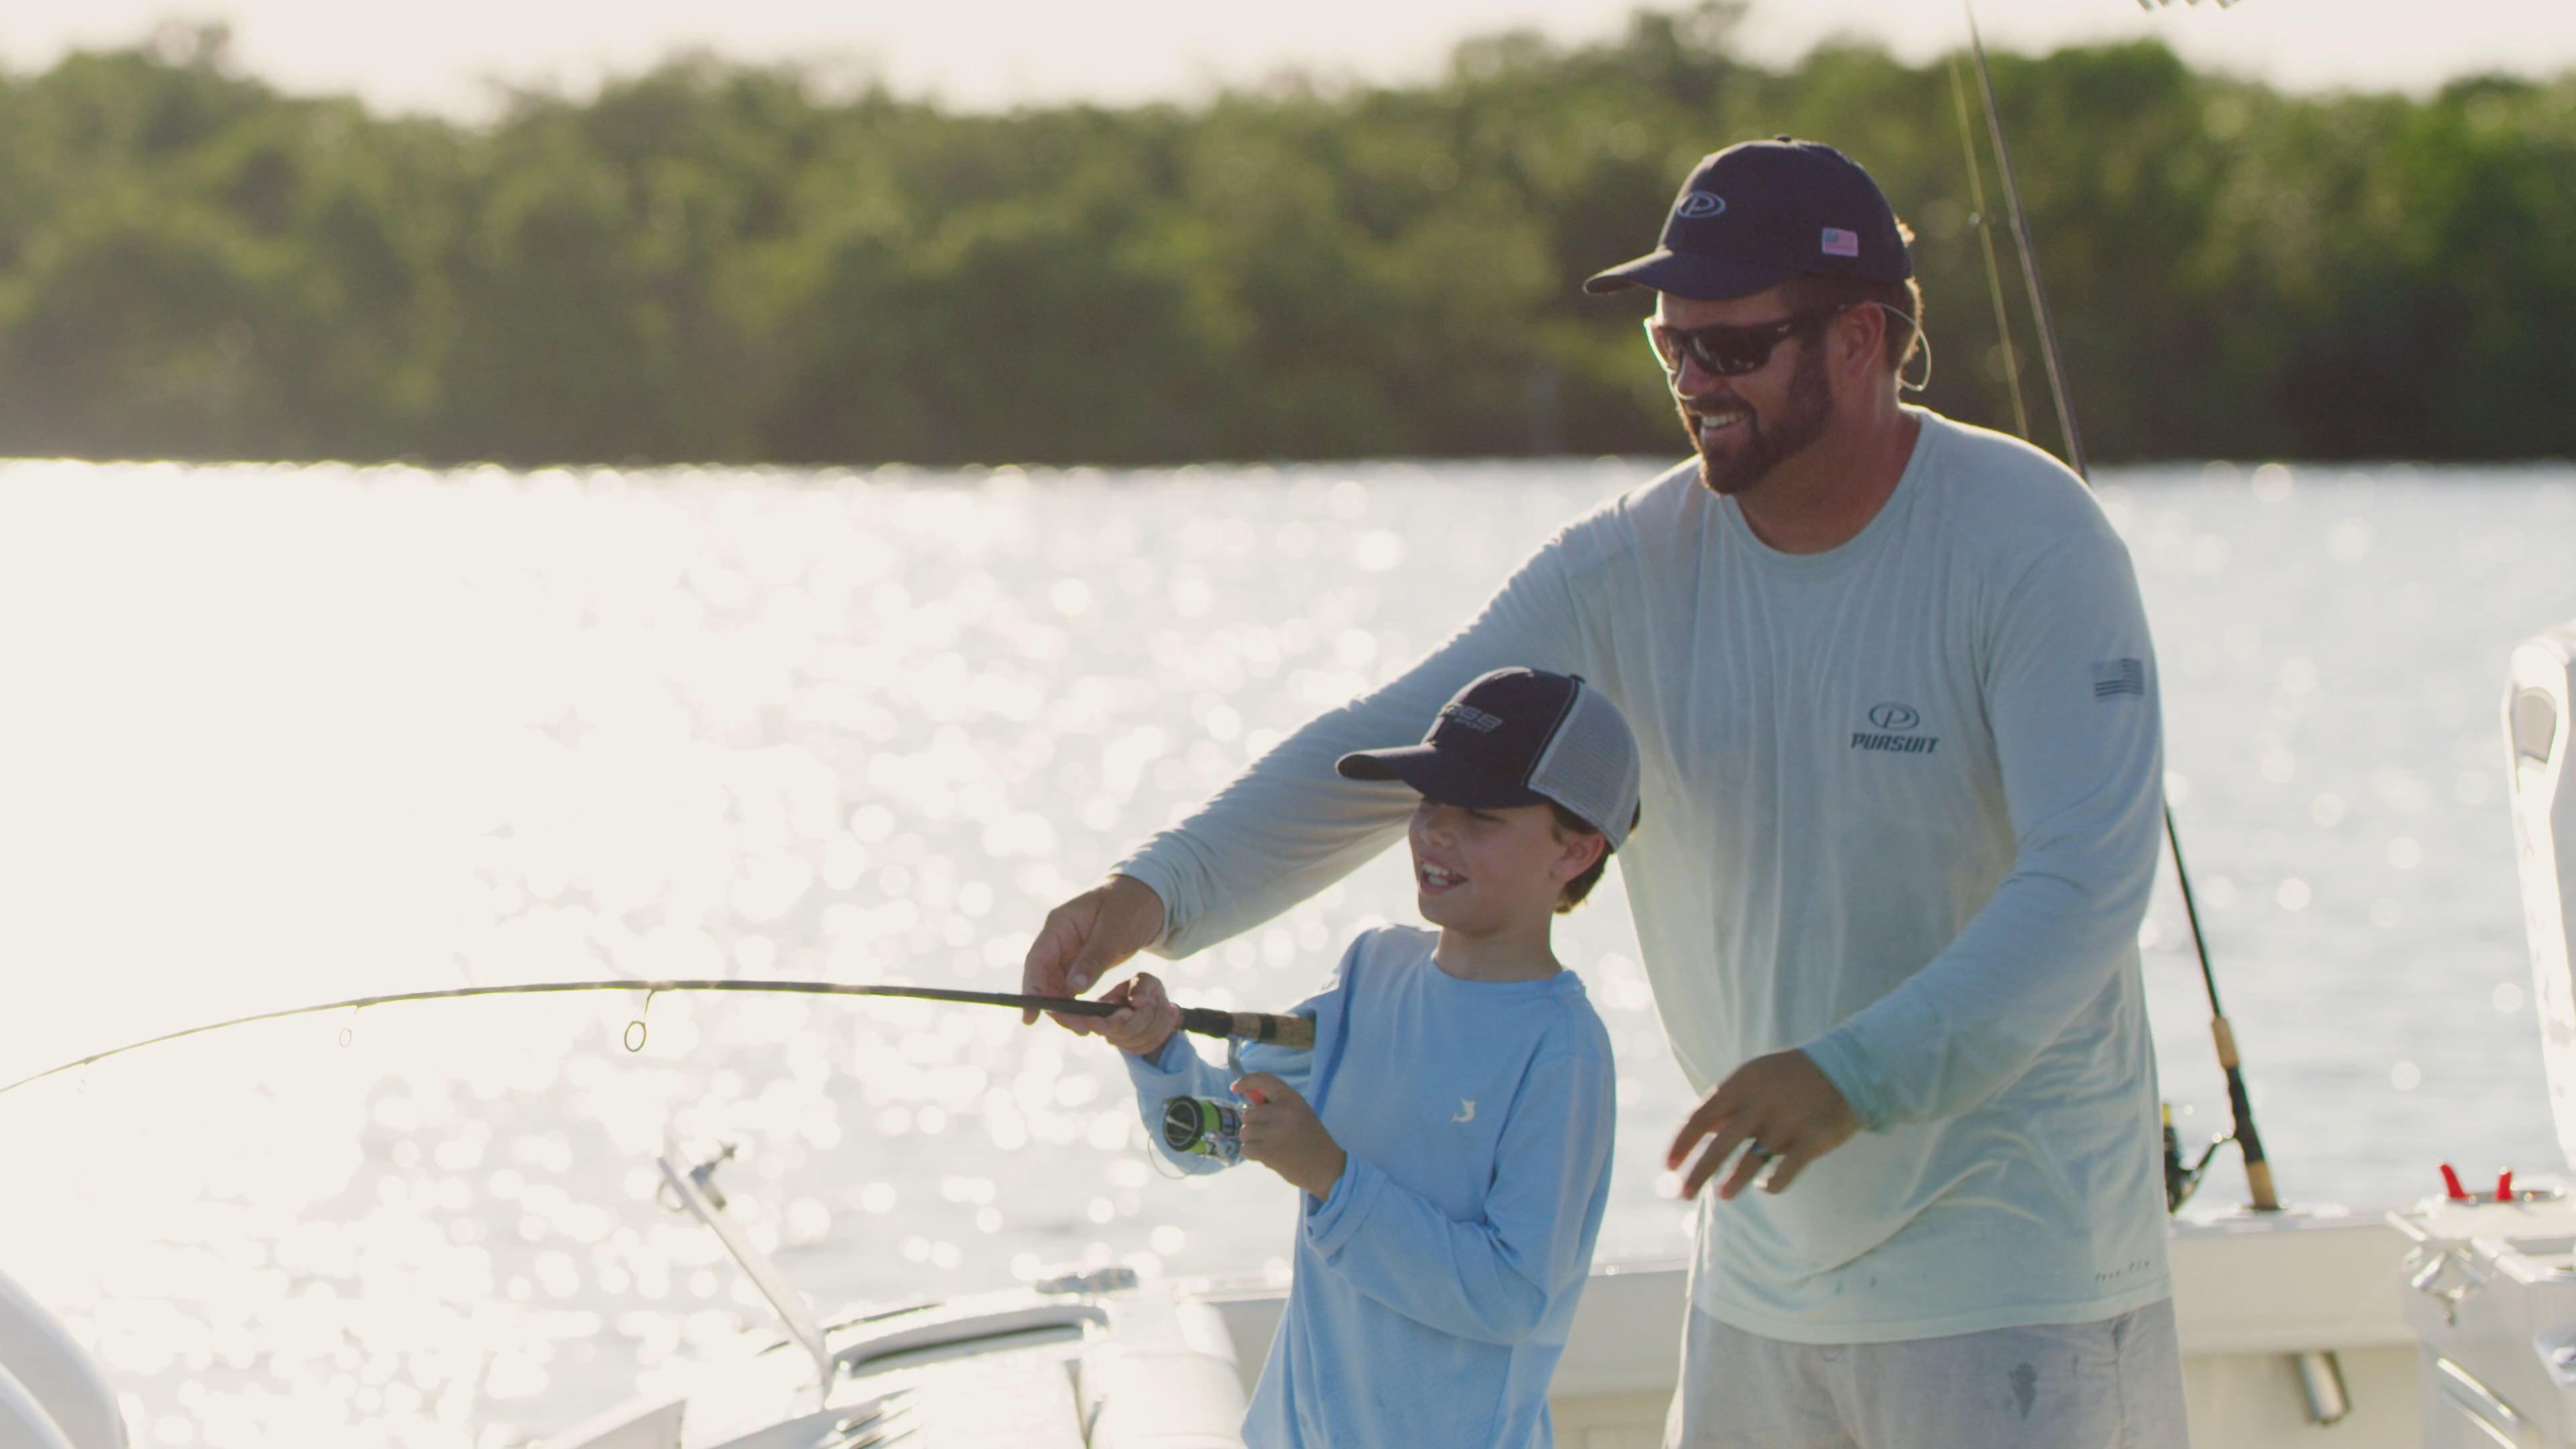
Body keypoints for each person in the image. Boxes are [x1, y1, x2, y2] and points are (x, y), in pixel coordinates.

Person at [1026, 136, 2185, 1448]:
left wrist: (1853, 1074)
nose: (1693, 382)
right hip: (1760, 1286)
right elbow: (1382, 746)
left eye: (1732, 348)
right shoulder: (1625, 567)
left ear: (1861, 338)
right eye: (1669, 344)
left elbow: (2086, 885)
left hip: (2017, 1283)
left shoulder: (2029, 539)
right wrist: (1151, 893)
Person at [1094, 666, 1635, 1449]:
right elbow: (1217, 1136)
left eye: (1478, 814)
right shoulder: (1369, 972)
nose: (1436, 832)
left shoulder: (1562, 1051)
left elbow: (1511, 1295)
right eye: (1427, 804)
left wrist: (1333, 1179)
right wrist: (1158, 1053)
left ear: (1576, 852)